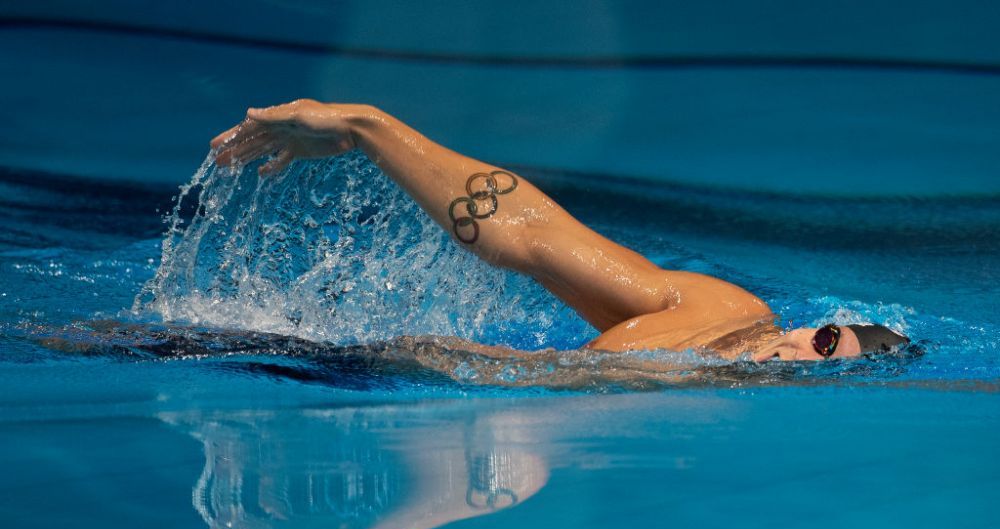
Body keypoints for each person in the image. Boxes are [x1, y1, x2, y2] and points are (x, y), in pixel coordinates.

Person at [211, 100, 909, 363]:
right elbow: (533, 235)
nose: (806, 352)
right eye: (826, 339)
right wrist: (370, 129)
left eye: (825, 361)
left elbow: (521, 373)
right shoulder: (727, 308)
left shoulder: (706, 383)